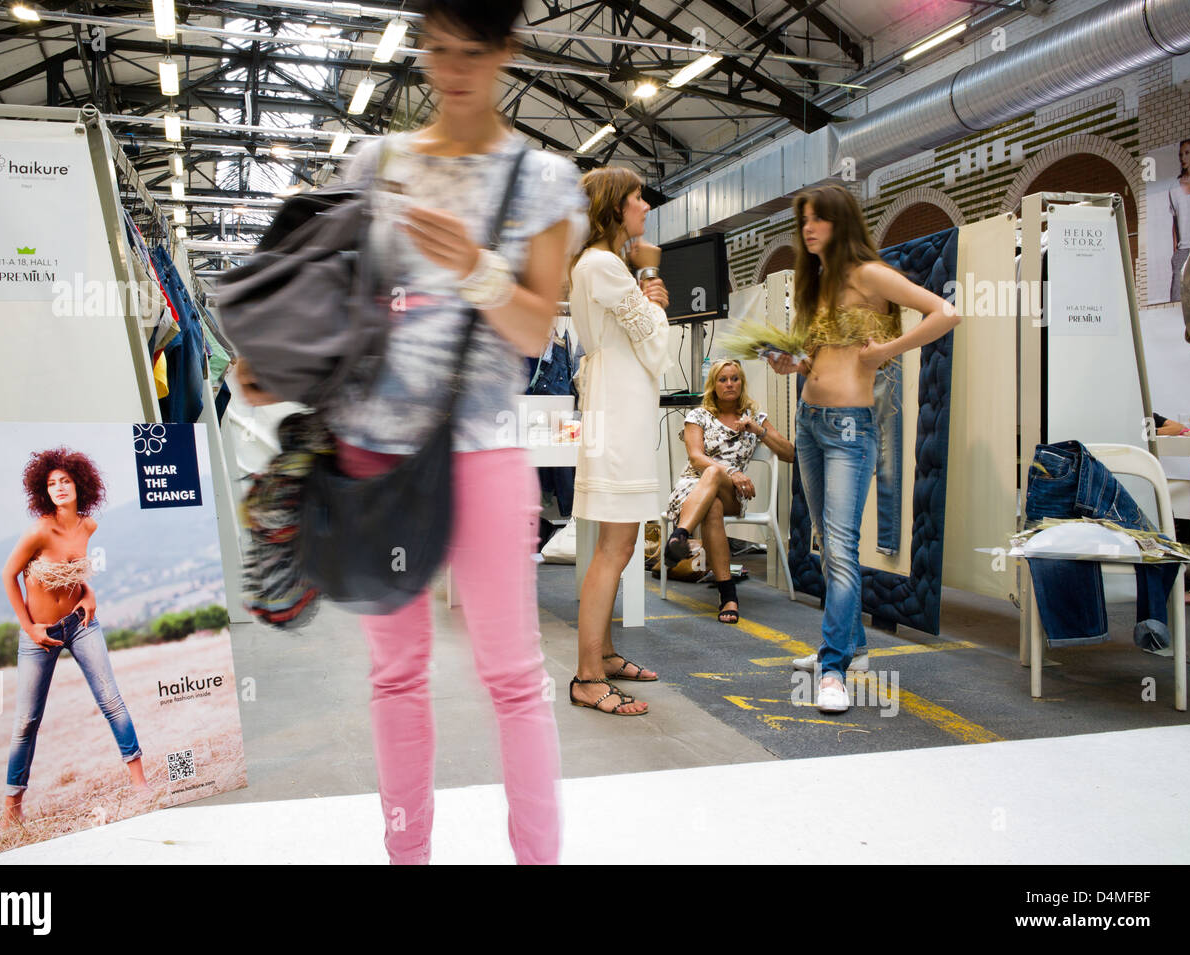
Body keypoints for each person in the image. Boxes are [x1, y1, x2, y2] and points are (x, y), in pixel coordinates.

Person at [241, 0, 582, 864]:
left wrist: (476, 269)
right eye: (434, 50)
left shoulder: (539, 179)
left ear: (506, 52)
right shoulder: (377, 163)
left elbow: (537, 332)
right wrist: (282, 358)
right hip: (365, 447)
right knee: (395, 673)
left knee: (513, 677)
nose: (450, 71)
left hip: (479, 453)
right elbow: (340, 296)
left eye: (471, 52)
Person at [767, 185, 958, 714]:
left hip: (851, 427)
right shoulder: (821, 281)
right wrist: (793, 364)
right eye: (803, 219)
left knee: (842, 546)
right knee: (828, 545)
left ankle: (832, 670)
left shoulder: (868, 273)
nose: (808, 228)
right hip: (809, 421)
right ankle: (852, 648)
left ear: (841, 222)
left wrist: (888, 353)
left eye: (819, 219)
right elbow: (821, 357)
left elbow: (945, 313)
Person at [569, 166, 672, 716]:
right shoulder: (605, 264)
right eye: (637, 198)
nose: (645, 207)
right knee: (616, 546)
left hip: (620, 404)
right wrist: (654, 297)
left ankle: (604, 654)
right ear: (615, 208)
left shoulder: (600, 264)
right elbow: (655, 344)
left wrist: (646, 293)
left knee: (620, 543)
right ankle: (588, 676)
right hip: (619, 406)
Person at [0, 448, 145, 827]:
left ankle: (141, 784)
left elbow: (72, 571)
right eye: (51, 483)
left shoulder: (88, 526)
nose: (59, 488)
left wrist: (89, 593)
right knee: (27, 721)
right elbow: (7, 576)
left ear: (80, 484)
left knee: (111, 700)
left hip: (80, 623)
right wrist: (29, 627)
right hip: (40, 633)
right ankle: (12, 809)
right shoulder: (39, 530)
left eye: (65, 481)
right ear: (43, 491)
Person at [664, 359, 795, 624]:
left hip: (733, 496)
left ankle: (679, 536)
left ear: (742, 383)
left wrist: (758, 430)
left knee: (715, 476)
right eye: (723, 379)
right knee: (712, 500)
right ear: (713, 385)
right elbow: (696, 458)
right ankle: (728, 596)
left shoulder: (754, 417)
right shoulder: (698, 416)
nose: (729, 384)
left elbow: (790, 454)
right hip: (693, 487)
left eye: (735, 378)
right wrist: (732, 472)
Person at [1168, 138, 1190, 303]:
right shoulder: (1174, 187)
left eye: (1187, 153)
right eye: (1181, 155)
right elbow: (1175, 223)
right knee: (1176, 300)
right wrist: (1176, 253)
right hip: (1183, 250)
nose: (1183, 158)